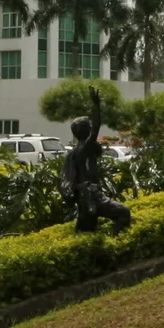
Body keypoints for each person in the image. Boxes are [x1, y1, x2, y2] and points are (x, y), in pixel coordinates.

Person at [60, 88, 132, 233]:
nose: (92, 126)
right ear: (85, 131)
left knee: (85, 232)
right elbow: (96, 129)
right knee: (123, 213)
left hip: (88, 198)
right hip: (92, 198)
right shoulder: (84, 148)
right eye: (89, 125)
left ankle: (96, 249)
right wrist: (97, 106)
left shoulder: (80, 150)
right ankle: (115, 243)